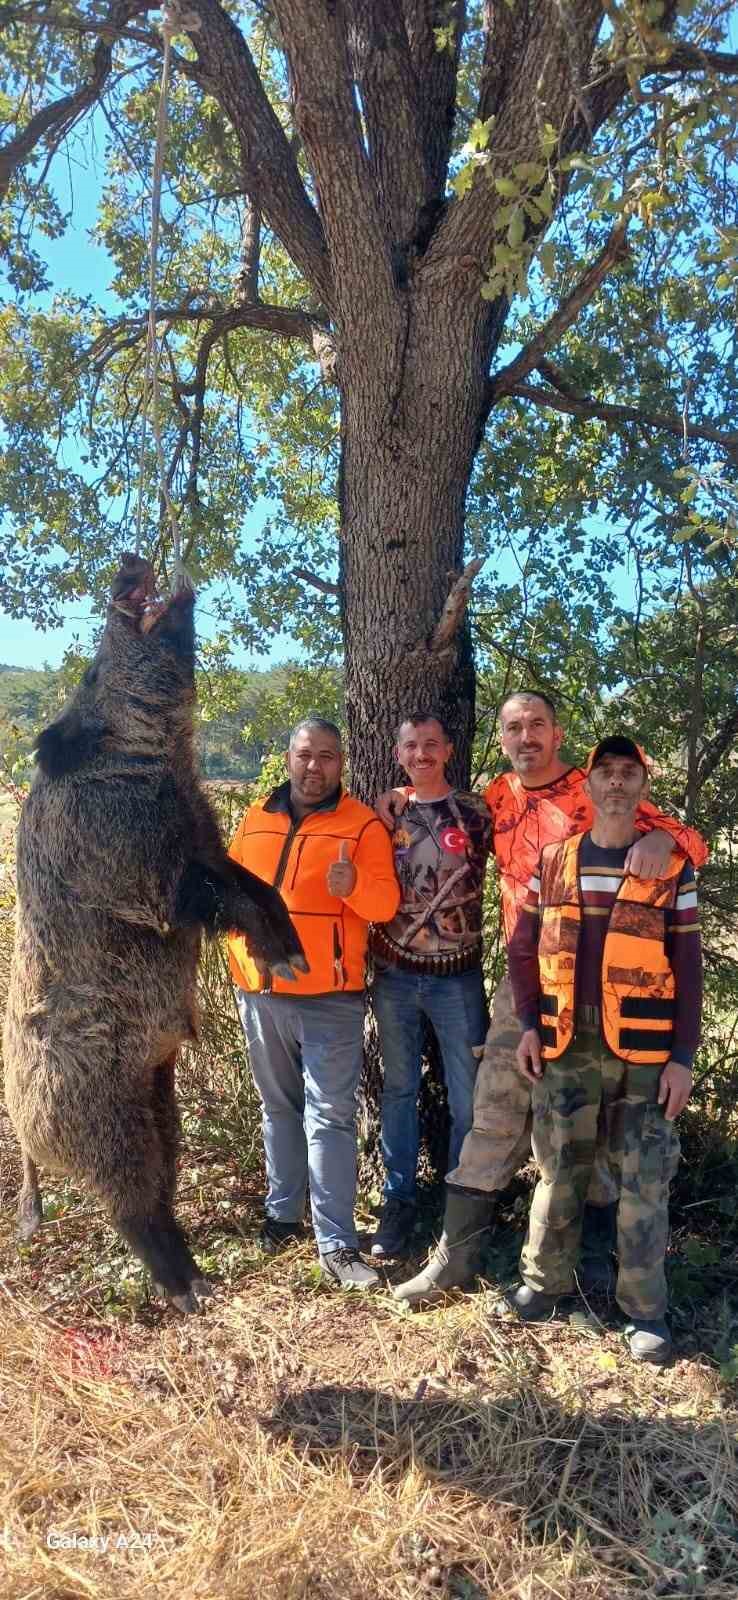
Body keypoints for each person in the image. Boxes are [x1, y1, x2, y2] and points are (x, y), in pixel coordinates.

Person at [388, 691, 708, 1305]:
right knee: (497, 1106)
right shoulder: (499, 796)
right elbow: (438, 812)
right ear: (503, 738)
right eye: (514, 727)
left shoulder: (591, 792)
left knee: (596, 1135)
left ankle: (591, 1266)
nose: (526, 736)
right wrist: (399, 797)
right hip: (528, 979)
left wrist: (670, 842)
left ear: (557, 735)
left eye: (537, 725)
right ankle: (457, 1259)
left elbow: (684, 839)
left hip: (608, 987)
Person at [506, 735, 701, 1364]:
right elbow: (522, 947)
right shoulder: (554, 860)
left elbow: (689, 966)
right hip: (566, 1037)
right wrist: (530, 1026)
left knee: (645, 1176)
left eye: (628, 773)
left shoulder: (673, 867)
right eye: (605, 773)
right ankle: (543, 1284)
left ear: (642, 788)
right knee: (561, 1165)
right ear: (587, 788)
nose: (616, 782)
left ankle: (644, 1310)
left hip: (646, 1046)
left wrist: (683, 1058)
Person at [228, 716, 400, 1289]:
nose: (314, 766)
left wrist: (353, 886)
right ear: (288, 756)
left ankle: (337, 1244)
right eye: (305, 754)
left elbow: (384, 907)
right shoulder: (256, 818)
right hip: (259, 991)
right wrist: (239, 956)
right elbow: (227, 893)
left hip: (330, 999)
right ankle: (283, 1216)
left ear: (341, 763)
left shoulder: (363, 826)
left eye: (327, 756)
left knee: (329, 1119)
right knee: (276, 1109)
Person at [370, 712, 492, 1259]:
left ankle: (463, 1207)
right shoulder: (382, 816)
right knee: (399, 1090)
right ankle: (398, 1201)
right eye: (411, 747)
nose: (421, 755)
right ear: (398, 755)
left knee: (469, 1098)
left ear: (447, 751)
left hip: (457, 978)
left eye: (431, 745)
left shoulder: (475, 813)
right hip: (395, 973)